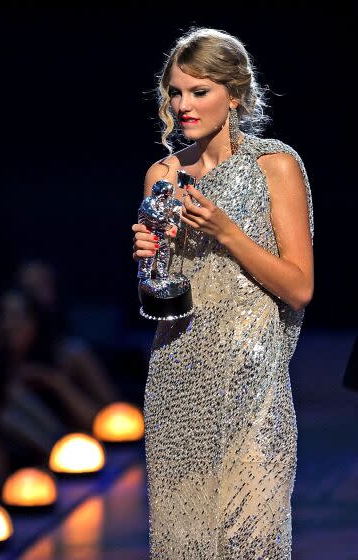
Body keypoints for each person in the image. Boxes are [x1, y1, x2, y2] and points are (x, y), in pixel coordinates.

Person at [131, 29, 313, 559]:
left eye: (199, 91)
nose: (183, 105)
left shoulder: (273, 166)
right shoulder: (163, 175)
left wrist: (227, 232)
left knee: (253, 542)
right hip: (178, 379)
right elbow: (156, 299)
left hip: (253, 389)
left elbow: (299, 288)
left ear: (234, 94)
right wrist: (146, 261)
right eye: (175, 92)